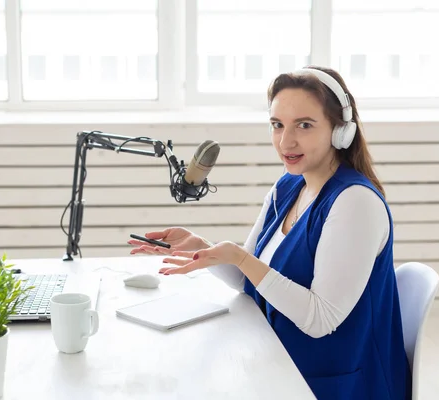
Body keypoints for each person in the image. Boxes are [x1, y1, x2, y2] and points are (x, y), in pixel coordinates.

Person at [127, 65, 412, 400]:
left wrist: (240, 257)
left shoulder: (355, 203)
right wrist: (202, 248)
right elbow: (250, 278)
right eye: (277, 125)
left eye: (304, 125)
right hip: (282, 363)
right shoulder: (289, 186)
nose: (285, 141)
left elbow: (321, 319)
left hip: (336, 385)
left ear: (340, 131)